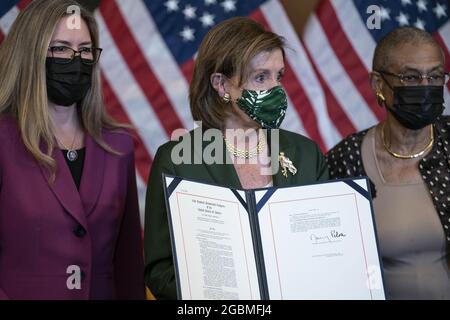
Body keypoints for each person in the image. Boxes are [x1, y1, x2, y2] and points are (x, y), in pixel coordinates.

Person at [144, 17, 329, 299]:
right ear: (222, 85)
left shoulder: (306, 154)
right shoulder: (178, 160)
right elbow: (161, 270)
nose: (275, 89)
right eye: (260, 77)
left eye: (278, 76)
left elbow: (327, 249)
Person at [0, 0, 144, 299]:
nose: (76, 60)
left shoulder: (118, 146)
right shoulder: (4, 139)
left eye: (85, 50)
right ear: (32, 54)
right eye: (61, 48)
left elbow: (128, 265)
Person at [326, 27, 450, 299]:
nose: (426, 86)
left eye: (436, 76)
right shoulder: (345, 160)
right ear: (378, 84)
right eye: (411, 77)